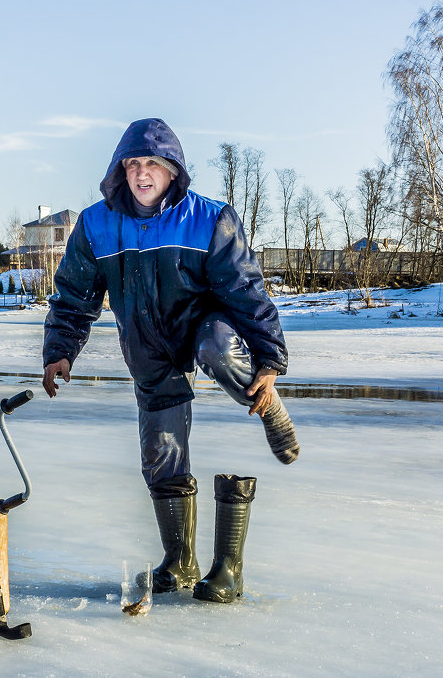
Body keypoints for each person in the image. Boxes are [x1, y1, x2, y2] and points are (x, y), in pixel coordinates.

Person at [41, 117, 299, 604]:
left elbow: (246, 289)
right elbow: (74, 295)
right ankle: (180, 562)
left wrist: (268, 358)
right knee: (160, 449)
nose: (142, 173)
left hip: (208, 328)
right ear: (121, 170)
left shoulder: (208, 218)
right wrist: (60, 350)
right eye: (133, 164)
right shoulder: (97, 224)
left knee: (217, 349)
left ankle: (269, 406)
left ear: (172, 170)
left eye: (153, 164)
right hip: (147, 345)